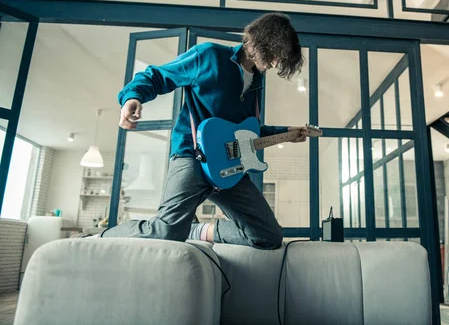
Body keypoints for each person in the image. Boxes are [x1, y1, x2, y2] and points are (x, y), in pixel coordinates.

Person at [97, 13, 306, 250]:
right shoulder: (208, 55)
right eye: (276, 54)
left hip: (229, 167)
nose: (277, 63)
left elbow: (247, 132)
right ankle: (102, 237)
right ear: (262, 41)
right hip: (192, 155)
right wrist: (132, 96)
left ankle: (197, 230)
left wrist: (288, 132)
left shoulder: (257, 81)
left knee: (268, 236)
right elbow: (157, 76)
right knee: (166, 232)